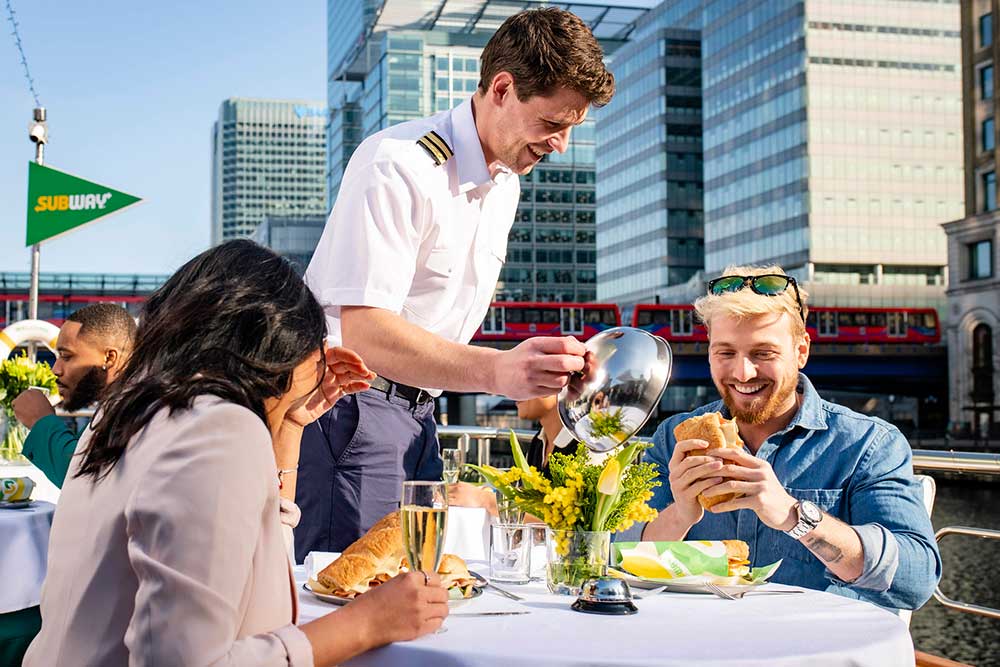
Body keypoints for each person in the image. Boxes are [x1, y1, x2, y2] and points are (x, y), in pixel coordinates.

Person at [24, 240, 448, 666]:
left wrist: (291, 426)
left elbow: (252, 572)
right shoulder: (217, 429)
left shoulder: (125, 411)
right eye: (313, 345)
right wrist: (366, 623)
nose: (321, 363)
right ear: (275, 350)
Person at [297, 6, 613, 559]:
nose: (560, 143)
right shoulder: (398, 165)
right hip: (348, 410)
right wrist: (499, 370)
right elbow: (365, 334)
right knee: (349, 600)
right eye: (552, 124)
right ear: (502, 88)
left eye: (571, 128)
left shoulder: (506, 183)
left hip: (419, 417)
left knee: (409, 595)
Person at [624, 265, 941, 611]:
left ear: (801, 350)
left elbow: (916, 580)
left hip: (815, 646)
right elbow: (621, 561)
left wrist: (794, 516)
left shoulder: (868, 445)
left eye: (763, 353)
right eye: (725, 353)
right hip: (700, 642)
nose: (743, 373)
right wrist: (680, 514)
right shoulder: (673, 438)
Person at [11, 303, 136, 487]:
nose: (55, 369)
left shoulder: (139, 407)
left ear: (109, 358)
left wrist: (41, 422)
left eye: (67, 357)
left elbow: (85, 478)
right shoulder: (122, 402)